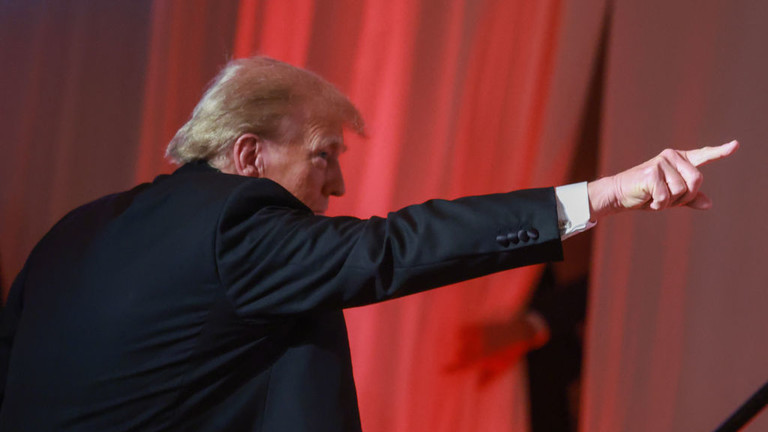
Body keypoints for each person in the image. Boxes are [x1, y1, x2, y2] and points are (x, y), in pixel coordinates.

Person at [0, 56, 738, 431]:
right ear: (250, 156)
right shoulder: (238, 223)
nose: (339, 188)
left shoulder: (72, 232)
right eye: (325, 156)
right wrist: (606, 193)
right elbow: (391, 248)